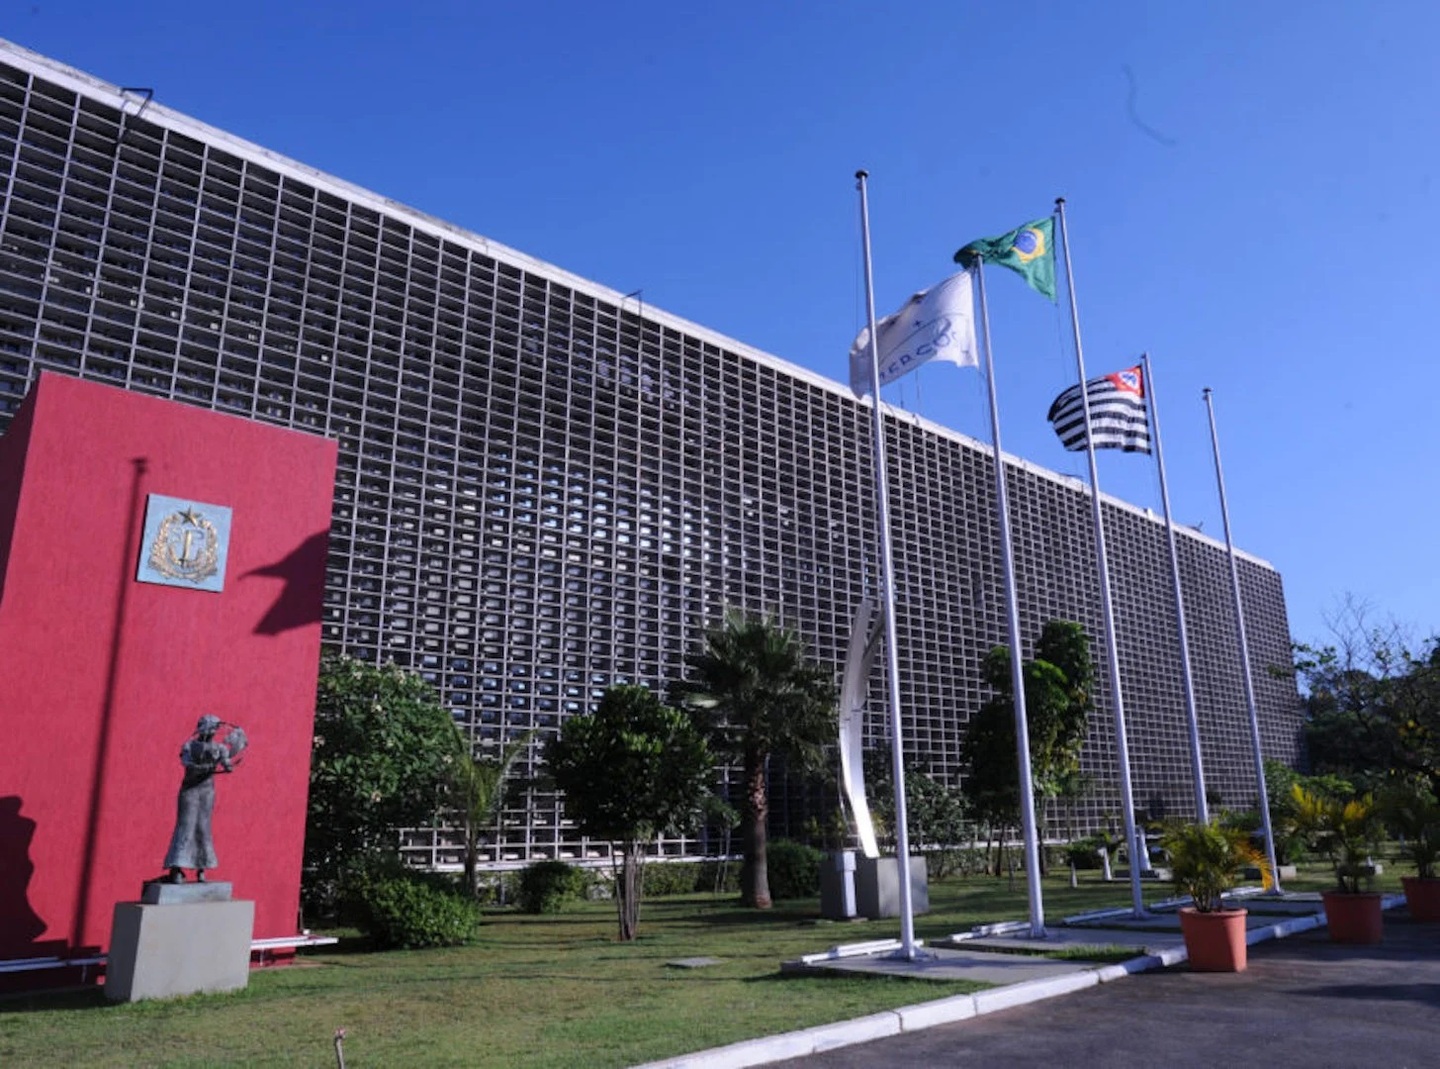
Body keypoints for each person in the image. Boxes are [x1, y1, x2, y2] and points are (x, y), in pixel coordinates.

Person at [163, 715, 234, 883]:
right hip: (190, 790)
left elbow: (226, 763)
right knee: (186, 826)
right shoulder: (189, 746)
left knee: (203, 827)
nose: (212, 732)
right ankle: (176, 867)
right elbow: (187, 762)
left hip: (206, 792)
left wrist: (228, 765)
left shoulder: (220, 748)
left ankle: (202, 867)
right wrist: (200, 767)